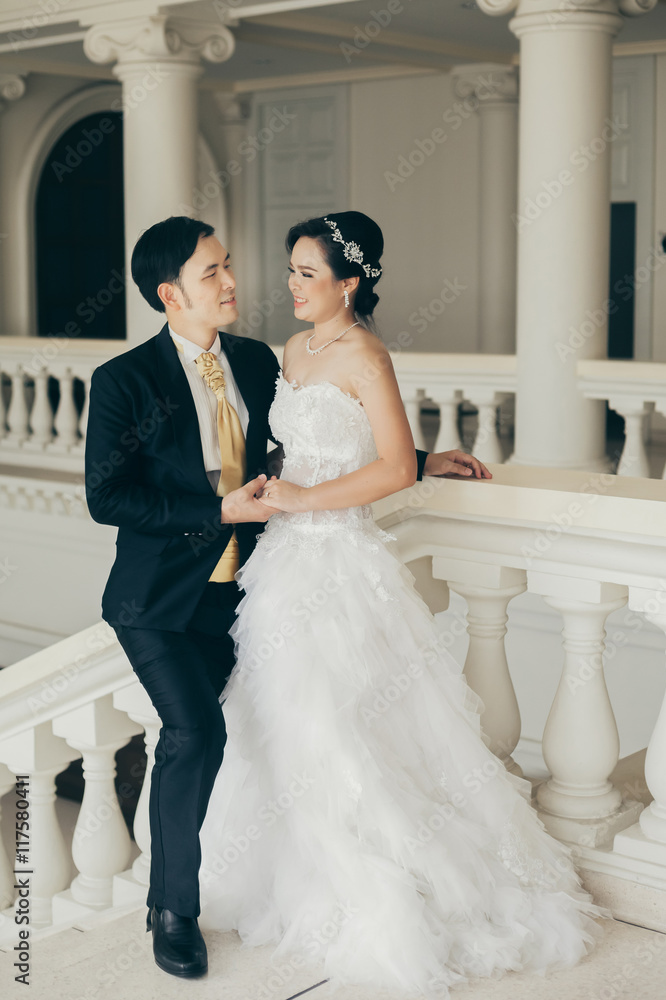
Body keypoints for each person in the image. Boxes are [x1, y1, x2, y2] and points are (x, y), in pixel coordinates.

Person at [197, 211, 610, 997]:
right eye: (289, 271)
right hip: (283, 565)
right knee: (279, 723)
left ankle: (383, 890)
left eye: (307, 274)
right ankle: (294, 878)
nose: (291, 285)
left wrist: (311, 495)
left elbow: (389, 470)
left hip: (340, 564)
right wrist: (282, 492)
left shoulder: (366, 354)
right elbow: (321, 446)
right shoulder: (292, 350)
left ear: (349, 283)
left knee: (344, 724)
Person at [84, 215, 485, 980]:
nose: (233, 281)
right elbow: (109, 497)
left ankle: (303, 884)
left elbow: (307, 444)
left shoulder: (255, 357)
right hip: (158, 602)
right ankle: (172, 911)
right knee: (194, 734)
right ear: (171, 294)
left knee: (296, 732)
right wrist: (217, 511)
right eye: (212, 272)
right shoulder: (124, 380)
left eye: (229, 264)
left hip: (247, 591)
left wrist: (423, 459)